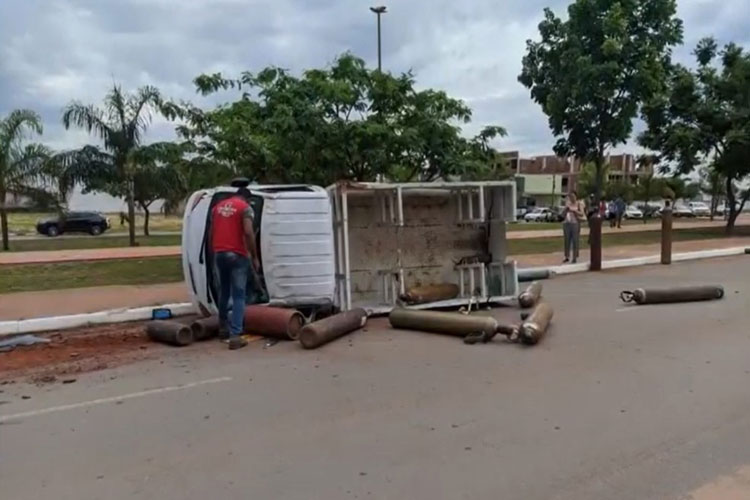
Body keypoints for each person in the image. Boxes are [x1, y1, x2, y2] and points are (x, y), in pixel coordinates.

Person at [210, 188, 260, 350]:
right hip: (237, 254)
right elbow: (248, 232)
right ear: (247, 198)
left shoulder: (217, 207)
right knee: (239, 295)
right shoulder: (245, 208)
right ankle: (235, 336)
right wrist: (254, 256)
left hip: (219, 252)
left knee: (224, 291)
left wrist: (215, 250)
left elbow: (212, 232)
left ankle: (223, 328)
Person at [562, 191, 585, 263]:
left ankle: (575, 257)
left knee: (575, 240)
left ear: (576, 196)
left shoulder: (579, 203)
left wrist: (574, 211)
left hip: (575, 223)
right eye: (570, 196)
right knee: (567, 240)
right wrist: (566, 209)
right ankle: (566, 256)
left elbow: (582, 213)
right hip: (567, 223)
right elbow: (563, 214)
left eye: (573, 196)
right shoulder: (568, 204)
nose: (572, 198)